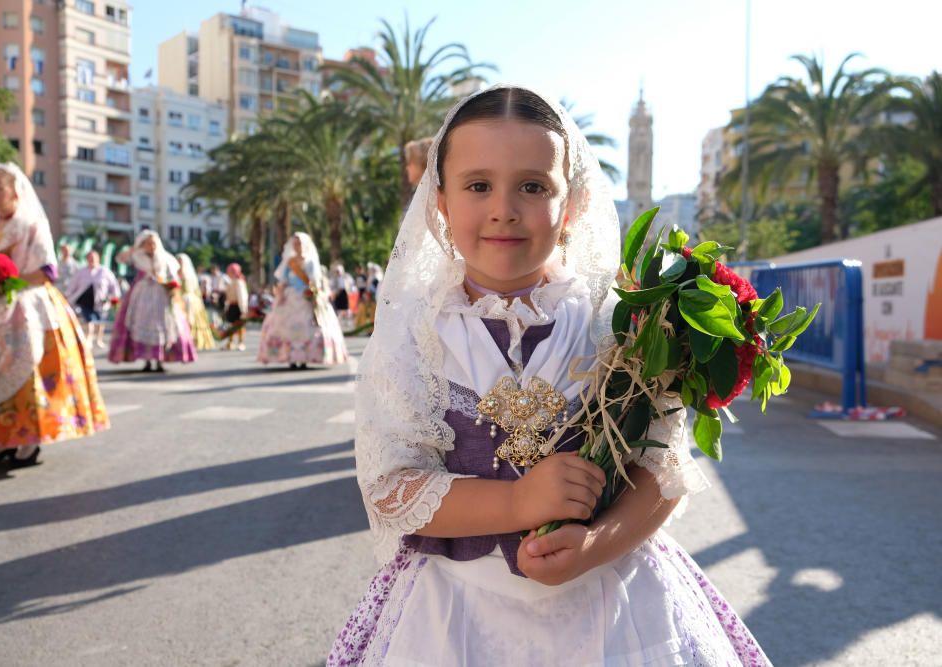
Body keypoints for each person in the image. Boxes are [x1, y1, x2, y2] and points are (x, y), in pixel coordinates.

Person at [327, 86, 770, 666]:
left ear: (576, 202)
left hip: (611, 610)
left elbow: (661, 471)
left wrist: (595, 544)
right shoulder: (417, 333)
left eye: (533, 186)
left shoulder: (622, 323)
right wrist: (516, 505)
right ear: (440, 200)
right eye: (478, 185)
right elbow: (389, 488)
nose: (503, 208)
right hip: (454, 616)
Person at [0, 163, 109, 468]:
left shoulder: (31, 223)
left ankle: (27, 441)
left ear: (15, 189)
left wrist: (5, 283)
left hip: (26, 306)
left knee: (25, 372)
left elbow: (47, 271)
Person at [108, 230, 196, 372]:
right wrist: (135, 248)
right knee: (141, 323)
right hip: (142, 294)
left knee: (164, 325)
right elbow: (120, 258)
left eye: (153, 243)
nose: (151, 246)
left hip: (161, 295)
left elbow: (173, 277)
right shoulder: (138, 256)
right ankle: (148, 360)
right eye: (147, 243)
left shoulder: (166, 258)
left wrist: (172, 288)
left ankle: (160, 359)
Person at [257, 232, 348, 369]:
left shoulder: (310, 262)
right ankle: (290, 358)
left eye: (299, 243)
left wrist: (314, 293)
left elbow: (315, 280)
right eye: (295, 243)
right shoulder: (290, 262)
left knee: (311, 325)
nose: (297, 246)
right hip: (290, 297)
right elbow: (284, 281)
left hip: (307, 297)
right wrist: (280, 295)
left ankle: (305, 357)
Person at [65, 250, 121, 349]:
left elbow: (113, 285)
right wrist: (67, 295)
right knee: (89, 320)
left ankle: (99, 339)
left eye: (94, 258)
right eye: (90, 258)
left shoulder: (105, 271)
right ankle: (89, 338)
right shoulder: (81, 272)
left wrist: (114, 297)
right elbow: (73, 285)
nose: (92, 260)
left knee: (100, 320)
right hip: (85, 300)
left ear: (98, 259)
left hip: (100, 300)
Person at [178, 253, 215, 351]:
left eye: (180, 261)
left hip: (190, 301)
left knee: (192, 321)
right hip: (179, 300)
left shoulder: (189, 275)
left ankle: (193, 341)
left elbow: (195, 290)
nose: (179, 263)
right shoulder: (175, 273)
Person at [222, 262, 249, 351]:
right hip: (232, 305)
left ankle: (241, 343)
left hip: (238, 306)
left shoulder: (239, 282)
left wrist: (243, 309)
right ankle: (230, 342)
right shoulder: (232, 281)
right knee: (231, 326)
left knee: (240, 326)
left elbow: (242, 296)